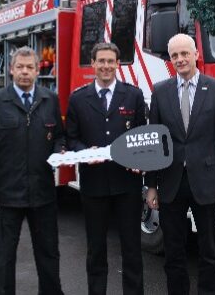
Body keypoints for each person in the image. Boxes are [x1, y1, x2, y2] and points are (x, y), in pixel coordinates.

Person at [145, 33, 215, 295]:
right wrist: (150, 185)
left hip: (206, 183)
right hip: (171, 183)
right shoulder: (160, 91)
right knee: (173, 253)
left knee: (208, 251)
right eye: (174, 55)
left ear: (196, 54)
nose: (180, 59)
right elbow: (155, 142)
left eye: (185, 53)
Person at [0, 46, 65, 295]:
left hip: (43, 195)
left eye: (30, 67)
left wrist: (60, 150)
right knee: (5, 258)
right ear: (11, 70)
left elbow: (59, 137)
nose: (25, 72)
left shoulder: (50, 100)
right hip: (7, 197)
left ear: (38, 70)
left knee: (49, 256)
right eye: (20, 67)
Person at [66, 42, 146, 295]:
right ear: (93, 64)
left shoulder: (133, 95)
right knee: (96, 249)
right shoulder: (78, 99)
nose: (106, 66)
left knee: (132, 249)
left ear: (118, 64)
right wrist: (82, 151)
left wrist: (140, 160)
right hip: (94, 185)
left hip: (127, 186)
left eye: (111, 61)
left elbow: (143, 136)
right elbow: (71, 138)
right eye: (101, 61)